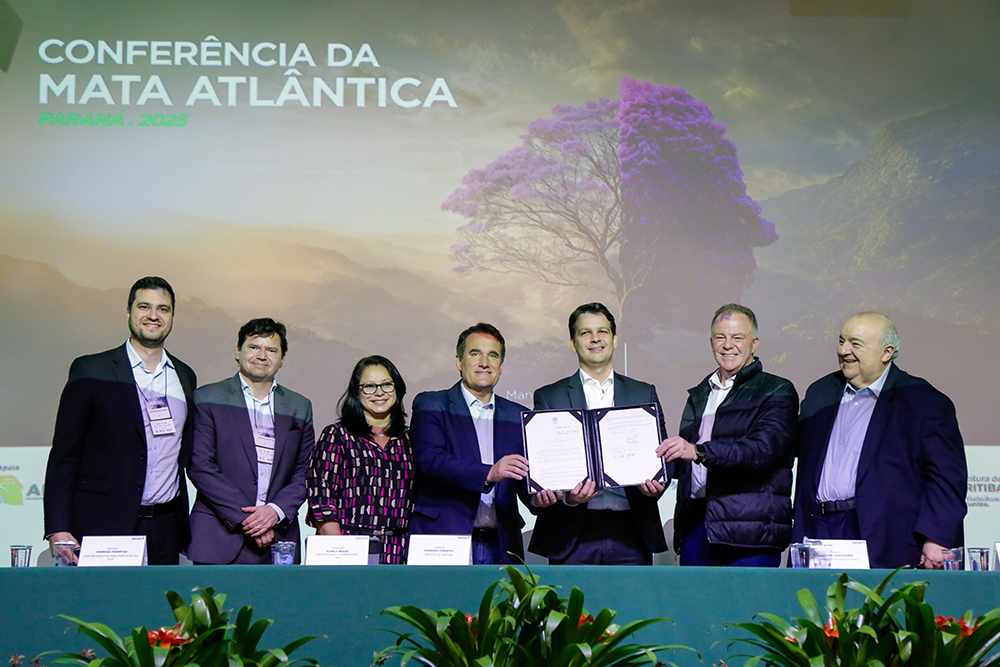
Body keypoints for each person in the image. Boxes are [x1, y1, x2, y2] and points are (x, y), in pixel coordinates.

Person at [792, 312, 967, 569]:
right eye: (841, 341)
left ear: (887, 352)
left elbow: (947, 479)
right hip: (818, 531)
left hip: (883, 537)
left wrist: (935, 537)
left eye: (855, 343)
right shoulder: (821, 392)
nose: (844, 350)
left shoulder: (924, 402)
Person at [43, 276, 197, 565]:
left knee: (160, 610)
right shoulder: (91, 370)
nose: (153, 315)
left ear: (172, 316)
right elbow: (65, 455)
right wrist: (57, 526)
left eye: (163, 309)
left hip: (166, 526)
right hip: (103, 523)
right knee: (104, 608)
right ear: (129, 312)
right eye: (144, 306)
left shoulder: (185, 376)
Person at [528, 303, 669, 565]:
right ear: (573, 343)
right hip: (572, 532)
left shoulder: (643, 392)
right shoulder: (549, 396)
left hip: (632, 528)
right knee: (570, 607)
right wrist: (569, 498)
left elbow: (663, 457)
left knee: (631, 605)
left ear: (614, 339)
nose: (595, 339)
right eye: (585, 333)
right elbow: (541, 464)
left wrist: (657, 487)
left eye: (602, 331)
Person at [657, 304, 798, 566]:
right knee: (695, 606)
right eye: (720, 337)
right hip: (698, 525)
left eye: (737, 337)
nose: (727, 345)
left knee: (749, 607)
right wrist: (655, 476)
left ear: (754, 343)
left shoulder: (777, 390)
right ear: (711, 342)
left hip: (750, 532)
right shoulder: (700, 394)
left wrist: (699, 451)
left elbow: (762, 452)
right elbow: (685, 464)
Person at [409, 323, 556, 564]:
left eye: (493, 355)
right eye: (475, 353)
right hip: (444, 540)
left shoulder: (518, 415)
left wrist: (538, 498)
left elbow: (523, 478)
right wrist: (489, 472)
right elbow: (431, 460)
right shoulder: (431, 404)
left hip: (502, 545)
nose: (484, 362)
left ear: (501, 367)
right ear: (459, 361)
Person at [187, 318, 315, 564]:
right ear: (238, 351)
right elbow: (200, 464)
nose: (262, 355)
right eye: (254, 347)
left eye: (271, 349)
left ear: (282, 358)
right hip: (220, 535)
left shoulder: (300, 406)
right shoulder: (208, 397)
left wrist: (274, 512)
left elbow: (305, 471)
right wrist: (251, 519)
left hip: (279, 538)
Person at [307, 355, 415, 564]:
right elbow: (321, 498)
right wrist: (339, 551)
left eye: (386, 385)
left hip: (402, 552)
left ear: (398, 389)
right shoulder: (337, 435)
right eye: (369, 386)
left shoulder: (412, 439)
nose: (379, 392)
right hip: (348, 548)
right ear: (357, 392)